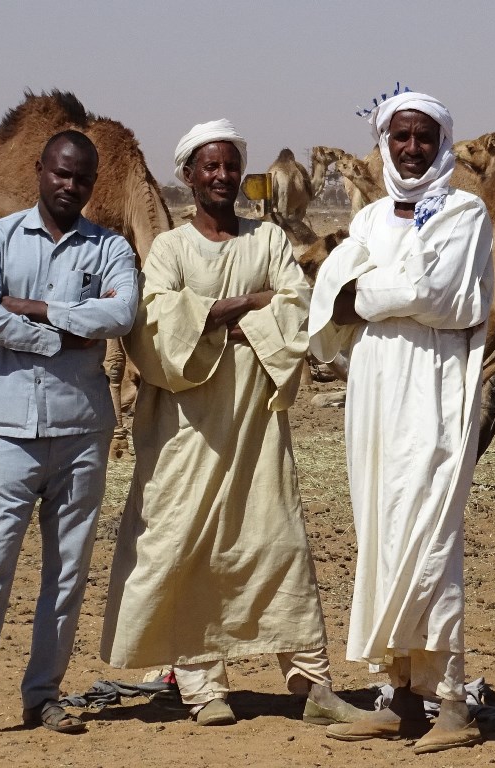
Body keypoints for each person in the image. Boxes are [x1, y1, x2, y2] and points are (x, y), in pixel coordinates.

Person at [100, 120, 364, 728]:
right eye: (208, 167)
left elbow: (296, 306)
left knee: (277, 540)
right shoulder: (169, 249)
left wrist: (213, 320)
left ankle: (312, 680)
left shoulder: (268, 239)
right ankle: (201, 684)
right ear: (189, 175)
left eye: (228, 167)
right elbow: (158, 323)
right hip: (184, 428)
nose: (220, 177)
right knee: (185, 546)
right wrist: (244, 306)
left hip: (256, 420)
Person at [0, 130, 140, 746]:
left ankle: (43, 695)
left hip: (82, 431)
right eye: (60, 175)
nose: (69, 187)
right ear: (40, 171)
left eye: (81, 179)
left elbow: (122, 315)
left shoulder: (111, 248)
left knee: (67, 573)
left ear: (92, 183)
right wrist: (66, 332)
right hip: (8, 432)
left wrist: (36, 310)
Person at [308, 92, 494, 754]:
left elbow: (435, 296)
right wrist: (362, 296)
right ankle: (396, 697)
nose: (410, 148)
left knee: (428, 543)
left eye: (422, 137)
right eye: (399, 137)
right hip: (376, 393)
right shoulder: (370, 221)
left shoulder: (464, 212)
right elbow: (329, 295)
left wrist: (365, 297)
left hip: (436, 391)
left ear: (440, 142)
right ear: (383, 144)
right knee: (382, 536)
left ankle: (451, 704)